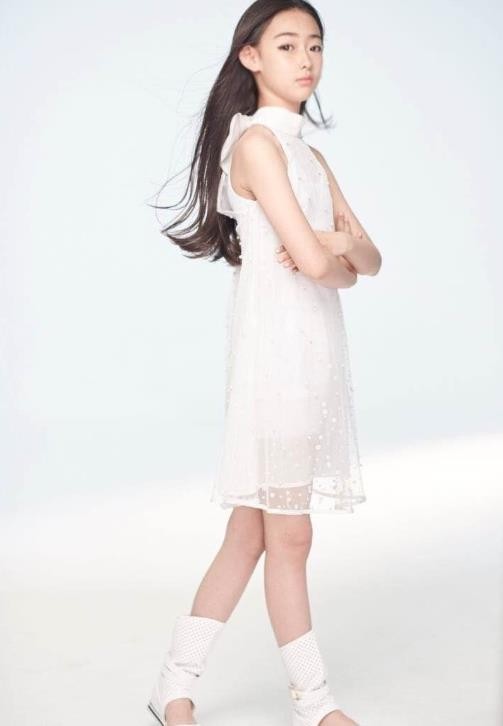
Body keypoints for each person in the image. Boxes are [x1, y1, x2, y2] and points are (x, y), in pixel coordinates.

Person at [147, 1, 382, 725]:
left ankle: (172, 683)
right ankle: (314, 701)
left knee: (251, 532)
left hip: (314, 359)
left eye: (315, 45)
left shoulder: (310, 155)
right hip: (274, 360)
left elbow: (366, 260)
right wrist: (332, 253)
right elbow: (319, 262)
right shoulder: (255, 145)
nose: (305, 59)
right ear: (250, 57)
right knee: (291, 534)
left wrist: (336, 249)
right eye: (286, 45)